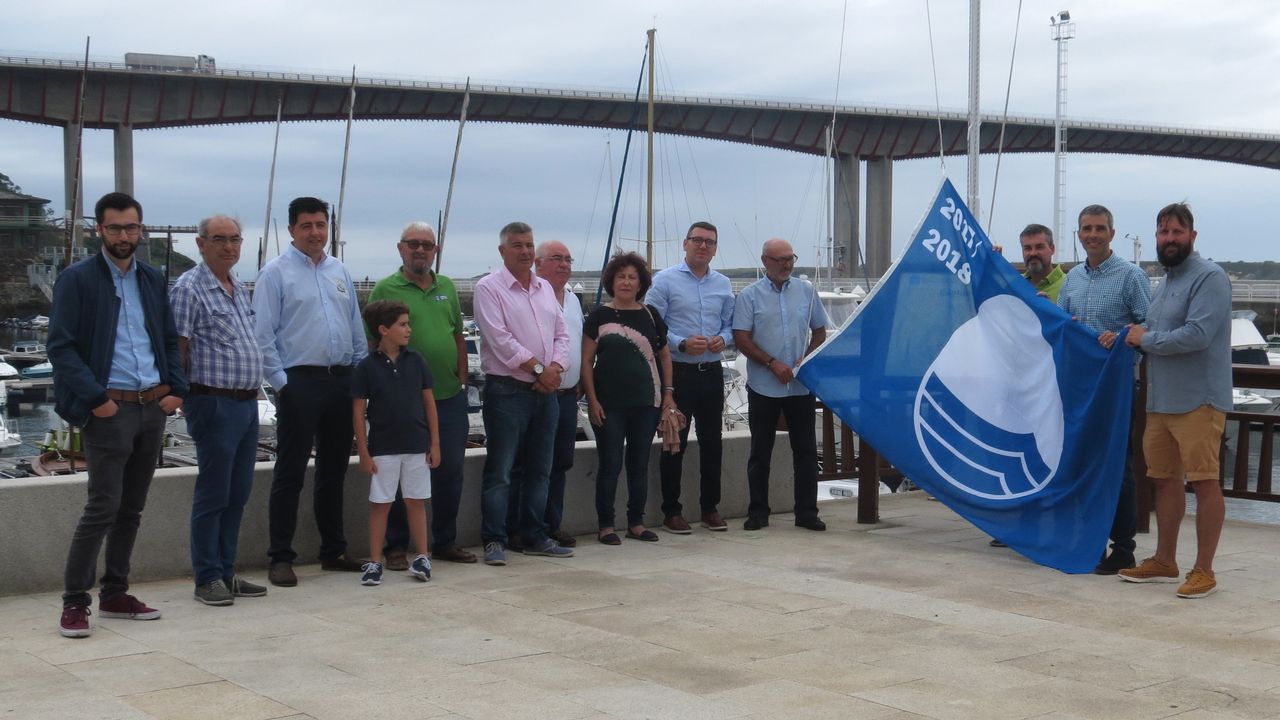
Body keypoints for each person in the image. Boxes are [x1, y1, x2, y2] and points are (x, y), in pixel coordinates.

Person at [49, 192, 188, 638]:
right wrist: (96, 400)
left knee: (132, 509)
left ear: (140, 230)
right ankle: (75, 602)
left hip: (153, 407)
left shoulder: (151, 278)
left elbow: (168, 339)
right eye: (114, 228)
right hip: (109, 409)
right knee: (102, 506)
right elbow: (61, 348)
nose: (123, 236)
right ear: (99, 231)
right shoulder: (78, 280)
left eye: (131, 228)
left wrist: (176, 391)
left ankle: (115, 593)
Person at [253, 197, 367, 587]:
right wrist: (285, 386)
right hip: (299, 381)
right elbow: (262, 337)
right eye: (307, 226)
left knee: (334, 472)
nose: (315, 232)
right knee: (290, 473)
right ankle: (280, 557)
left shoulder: (340, 271)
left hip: (340, 380)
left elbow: (355, 328)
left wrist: (358, 378)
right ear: (292, 230)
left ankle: (333, 550)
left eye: (321, 225)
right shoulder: (275, 273)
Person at [1119, 203, 1231, 598]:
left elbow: (1197, 335)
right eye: (1163, 233)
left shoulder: (1210, 277)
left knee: (1205, 483)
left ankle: (1205, 570)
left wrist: (1144, 339)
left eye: (1176, 233)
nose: (1169, 240)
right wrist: (1129, 333)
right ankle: (1165, 560)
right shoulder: (1163, 283)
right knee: (1164, 482)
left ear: (1192, 236)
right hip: (1161, 401)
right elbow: (1155, 329)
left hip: (1199, 400)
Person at [170, 215, 268, 606]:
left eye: (234, 239)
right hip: (212, 402)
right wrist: (178, 394)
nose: (229, 246)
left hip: (246, 405)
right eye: (219, 239)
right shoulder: (188, 289)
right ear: (200, 243)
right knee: (213, 495)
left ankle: (226, 571)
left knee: (238, 493)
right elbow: (178, 349)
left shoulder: (237, 287)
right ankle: (207, 577)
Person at [369, 222, 476, 566]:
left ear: (436, 251)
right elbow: (373, 343)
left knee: (450, 470)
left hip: (447, 397)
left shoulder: (445, 286)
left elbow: (458, 336)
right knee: (402, 474)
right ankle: (397, 546)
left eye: (426, 245)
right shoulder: (386, 287)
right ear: (400, 248)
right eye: (413, 244)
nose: (420, 250)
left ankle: (445, 541)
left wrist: (461, 380)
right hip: (403, 404)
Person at [1057, 204, 1151, 575]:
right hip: (1079, 386)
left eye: (1099, 228)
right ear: (1078, 234)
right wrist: (1071, 327)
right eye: (1086, 228)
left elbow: (1150, 324)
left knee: (1119, 465)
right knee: (1081, 461)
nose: (1092, 234)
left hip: (1116, 388)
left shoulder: (1131, 277)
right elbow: (1063, 324)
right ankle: (1089, 539)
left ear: (1112, 233)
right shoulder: (1072, 279)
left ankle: (1124, 547)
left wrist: (1125, 335)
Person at [473, 221, 574, 565]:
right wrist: (537, 369)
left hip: (546, 393)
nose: (526, 252)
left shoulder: (545, 288)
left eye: (529, 245)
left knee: (540, 469)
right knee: (501, 470)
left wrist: (556, 369)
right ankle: (494, 539)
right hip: (508, 391)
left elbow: (562, 334)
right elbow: (499, 339)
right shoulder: (488, 288)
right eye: (517, 245)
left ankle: (533, 534)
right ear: (503, 251)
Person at [732, 239, 829, 532]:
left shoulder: (807, 291)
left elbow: (820, 331)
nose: (787, 264)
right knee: (761, 453)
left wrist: (805, 360)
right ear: (765, 261)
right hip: (764, 385)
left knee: (806, 453)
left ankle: (807, 513)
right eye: (780, 259)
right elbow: (741, 338)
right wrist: (772, 363)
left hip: (800, 387)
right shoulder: (749, 296)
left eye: (790, 258)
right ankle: (758, 512)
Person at [582, 252, 677, 545]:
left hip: (647, 403)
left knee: (639, 464)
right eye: (621, 276)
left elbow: (664, 355)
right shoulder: (599, 315)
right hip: (608, 404)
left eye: (632, 277)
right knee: (610, 464)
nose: (626, 282)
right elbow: (586, 361)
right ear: (612, 281)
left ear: (641, 283)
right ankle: (606, 525)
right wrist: (592, 400)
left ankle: (636, 522)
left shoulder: (650, 315)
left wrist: (668, 396)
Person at [648, 221, 735, 534]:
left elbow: (729, 325)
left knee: (714, 442)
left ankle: (710, 507)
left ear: (715, 248)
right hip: (679, 373)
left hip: (712, 372)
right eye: (697, 240)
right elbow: (653, 324)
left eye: (709, 242)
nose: (703, 246)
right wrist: (681, 343)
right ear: (685, 244)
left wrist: (722, 339)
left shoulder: (723, 284)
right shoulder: (665, 281)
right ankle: (671, 511)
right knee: (675, 443)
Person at [352, 300, 440, 586]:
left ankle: (423, 556)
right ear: (383, 329)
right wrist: (364, 452)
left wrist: (434, 444)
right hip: (383, 449)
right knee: (381, 504)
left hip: (416, 446)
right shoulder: (366, 367)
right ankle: (375, 561)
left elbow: (429, 405)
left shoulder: (417, 361)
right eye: (402, 324)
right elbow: (358, 411)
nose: (408, 329)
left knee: (416, 501)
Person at [507, 241, 584, 550]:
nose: (564, 264)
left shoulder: (575, 300)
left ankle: (550, 524)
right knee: (525, 465)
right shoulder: (530, 297)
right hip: (536, 392)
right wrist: (541, 374)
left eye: (568, 259)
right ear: (538, 264)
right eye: (556, 258)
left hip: (567, 395)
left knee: (560, 463)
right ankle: (517, 528)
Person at [1020, 223, 1066, 302]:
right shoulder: (1014, 283)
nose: (1033, 253)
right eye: (1027, 248)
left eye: (1039, 247)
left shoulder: (1070, 285)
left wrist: (1050, 310)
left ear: (1052, 249)